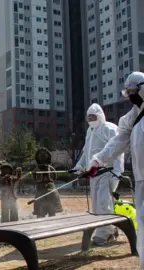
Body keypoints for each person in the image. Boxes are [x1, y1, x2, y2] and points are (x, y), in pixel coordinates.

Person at [87, 71, 144, 268]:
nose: (131, 96)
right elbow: (118, 141)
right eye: (128, 93)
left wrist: (115, 172)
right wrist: (98, 159)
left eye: (133, 91)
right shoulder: (133, 117)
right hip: (141, 178)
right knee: (143, 220)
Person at [71, 103, 124, 246]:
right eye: (89, 117)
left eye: (93, 116)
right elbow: (86, 151)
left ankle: (104, 234)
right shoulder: (90, 131)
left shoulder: (109, 128)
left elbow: (118, 149)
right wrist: (79, 166)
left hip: (108, 172)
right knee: (97, 205)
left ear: (100, 115)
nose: (91, 119)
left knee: (103, 203)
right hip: (93, 174)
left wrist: (118, 171)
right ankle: (111, 230)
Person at [33, 148, 63, 218]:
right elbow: (34, 176)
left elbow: (55, 175)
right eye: (40, 154)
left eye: (44, 154)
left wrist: (51, 181)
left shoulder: (50, 167)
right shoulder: (37, 168)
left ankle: (52, 215)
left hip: (50, 187)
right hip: (40, 187)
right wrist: (37, 181)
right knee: (40, 209)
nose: (42, 155)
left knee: (52, 210)